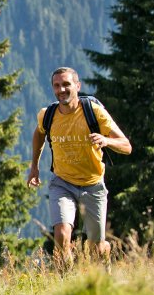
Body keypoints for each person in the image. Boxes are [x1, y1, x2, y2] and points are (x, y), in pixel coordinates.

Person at [27, 67, 132, 269]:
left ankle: (104, 251)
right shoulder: (47, 115)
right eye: (56, 86)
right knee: (61, 234)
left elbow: (126, 146)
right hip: (62, 183)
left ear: (77, 86)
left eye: (66, 84)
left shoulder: (93, 112)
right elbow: (39, 134)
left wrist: (106, 141)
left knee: (96, 249)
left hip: (93, 185)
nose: (61, 90)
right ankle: (66, 282)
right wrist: (34, 167)